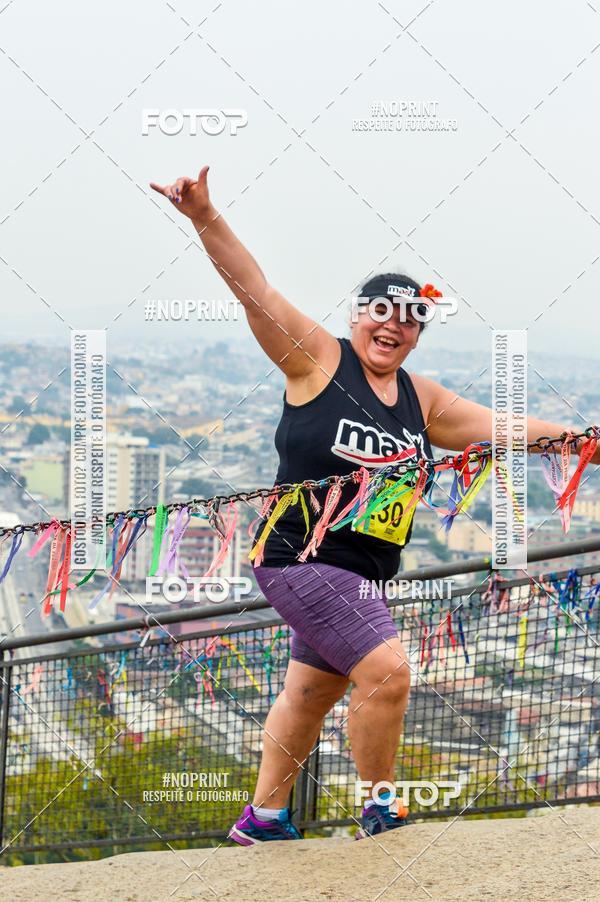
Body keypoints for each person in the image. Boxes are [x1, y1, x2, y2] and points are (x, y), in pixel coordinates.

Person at [150, 166, 599, 842]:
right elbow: (255, 289)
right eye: (382, 314)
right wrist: (205, 217)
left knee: (310, 693)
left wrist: (584, 443)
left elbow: (507, 428)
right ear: (358, 317)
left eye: (410, 321)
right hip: (300, 558)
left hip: (361, 573)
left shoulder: (423, 399)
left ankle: (263, 818)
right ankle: (382, 810)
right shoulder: (318, 361)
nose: (394, 328)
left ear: (417, 335)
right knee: (387, 673)